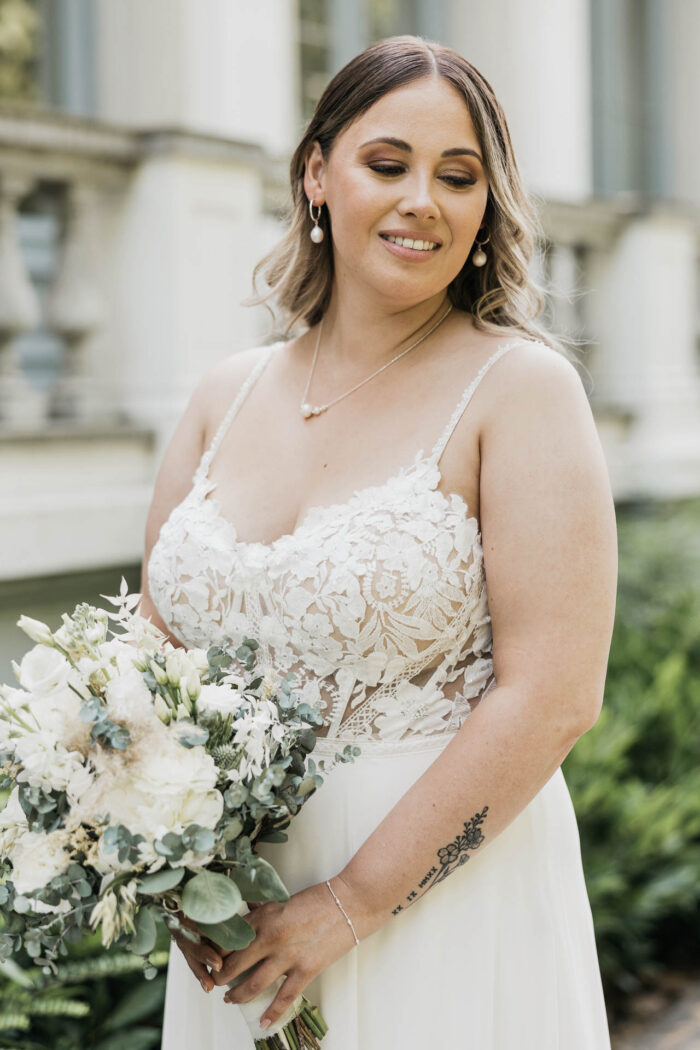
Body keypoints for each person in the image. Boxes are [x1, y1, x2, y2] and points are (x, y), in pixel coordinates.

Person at [144, 34, 617, 1050]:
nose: (423, 202)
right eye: (387, 164)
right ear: (317, 173)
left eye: (459, 177)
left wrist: (351, 903)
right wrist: (144, 841)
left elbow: (554, 695)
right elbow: (152, 653)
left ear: (488, 208)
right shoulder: (222, 397)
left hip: (439, 904)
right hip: (240, 922)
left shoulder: (521, 390)